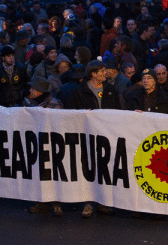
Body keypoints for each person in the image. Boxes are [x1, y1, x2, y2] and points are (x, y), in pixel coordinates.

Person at [64, 60, 119, 218]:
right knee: (88, 169)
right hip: (86, 135)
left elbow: (117, 110)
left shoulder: (110, 89)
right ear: (93, 74)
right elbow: (70, 113)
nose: (105, 73)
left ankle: (103, 203)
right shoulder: (79, 92)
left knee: (104, 168)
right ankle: (88, 203)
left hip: (105, 135)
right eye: (102, 71)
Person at [25, 76, 65, 216]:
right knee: (39, 173)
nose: (30, 90)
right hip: (37, 143)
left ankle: (56, 203)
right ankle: (41, 202)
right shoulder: (31, 104)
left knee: (53, 174)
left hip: (52, 144)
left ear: (39, 91)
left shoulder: (54, 104)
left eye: (33, 88)